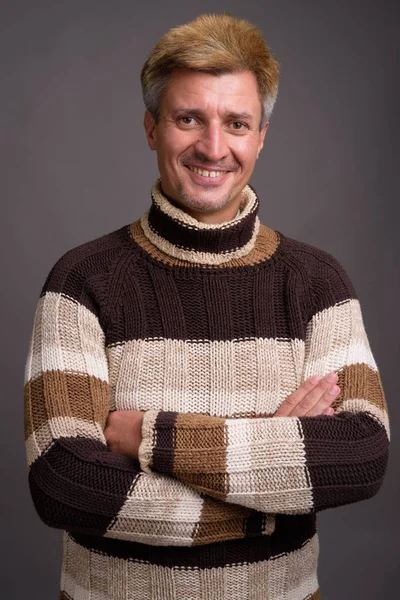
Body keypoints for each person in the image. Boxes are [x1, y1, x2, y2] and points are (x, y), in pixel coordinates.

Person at [24, 13, 389, 600]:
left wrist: (156, 437)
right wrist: (267, 482)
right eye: (188, 118)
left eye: (237, 123)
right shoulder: (81, 281)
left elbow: (362, 455)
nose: (213, 148)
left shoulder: (319, 282)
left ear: (262, 135)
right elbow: (66, 483)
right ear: (151, 127)